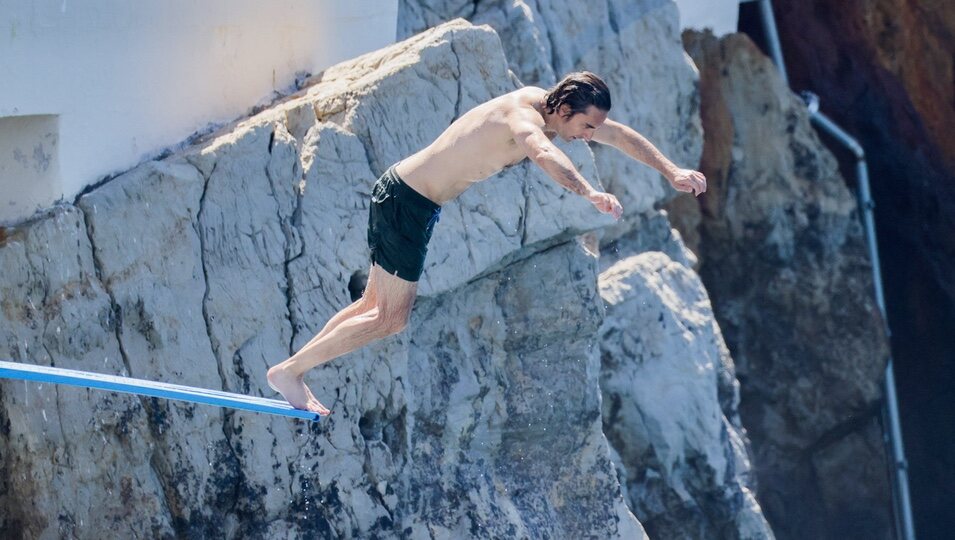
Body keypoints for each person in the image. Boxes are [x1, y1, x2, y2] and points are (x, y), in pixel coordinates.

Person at [267, 71, 707, 414]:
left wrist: (671, 171)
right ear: (566, 108)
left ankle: (292, 371)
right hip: (408, 202)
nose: (590, 135)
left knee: (371, 306)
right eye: (587, 126)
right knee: (391, 318)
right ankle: (290, 372)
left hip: (407, 197)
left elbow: (621, 135)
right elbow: (543, 153)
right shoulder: (524, 117)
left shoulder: (554, 110)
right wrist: (589, 193)